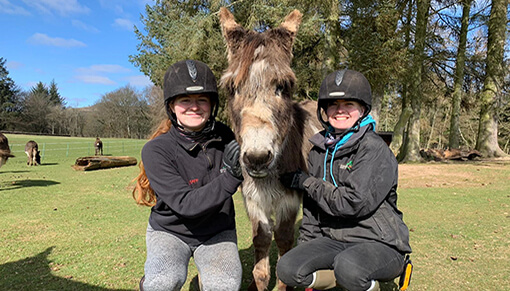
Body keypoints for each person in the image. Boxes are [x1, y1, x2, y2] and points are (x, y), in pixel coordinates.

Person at [276, 69, 412, 291]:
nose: (340, 110)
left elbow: (353, 202)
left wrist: (306, 182)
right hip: (334, 238)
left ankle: (369, 283)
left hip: (377, 241)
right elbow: (312, 208)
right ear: (324, 110)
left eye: (348, 104)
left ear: (362, 109)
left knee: (348, 267)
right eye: (333, 104)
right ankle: (338, 282)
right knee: (288, 267)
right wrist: (308, 247)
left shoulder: (373, 149)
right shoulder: (318, 151)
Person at [132, 60, 244, 291]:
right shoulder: (156, 150)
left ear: (212, 104)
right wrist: (231, 177)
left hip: (217, 231)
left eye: (202, 100)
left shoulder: (225, 136)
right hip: (170, 232)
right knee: (162, 283)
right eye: (185, 100)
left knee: (225, 286)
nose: (194, 107)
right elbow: (186, 204)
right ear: (172, 106)